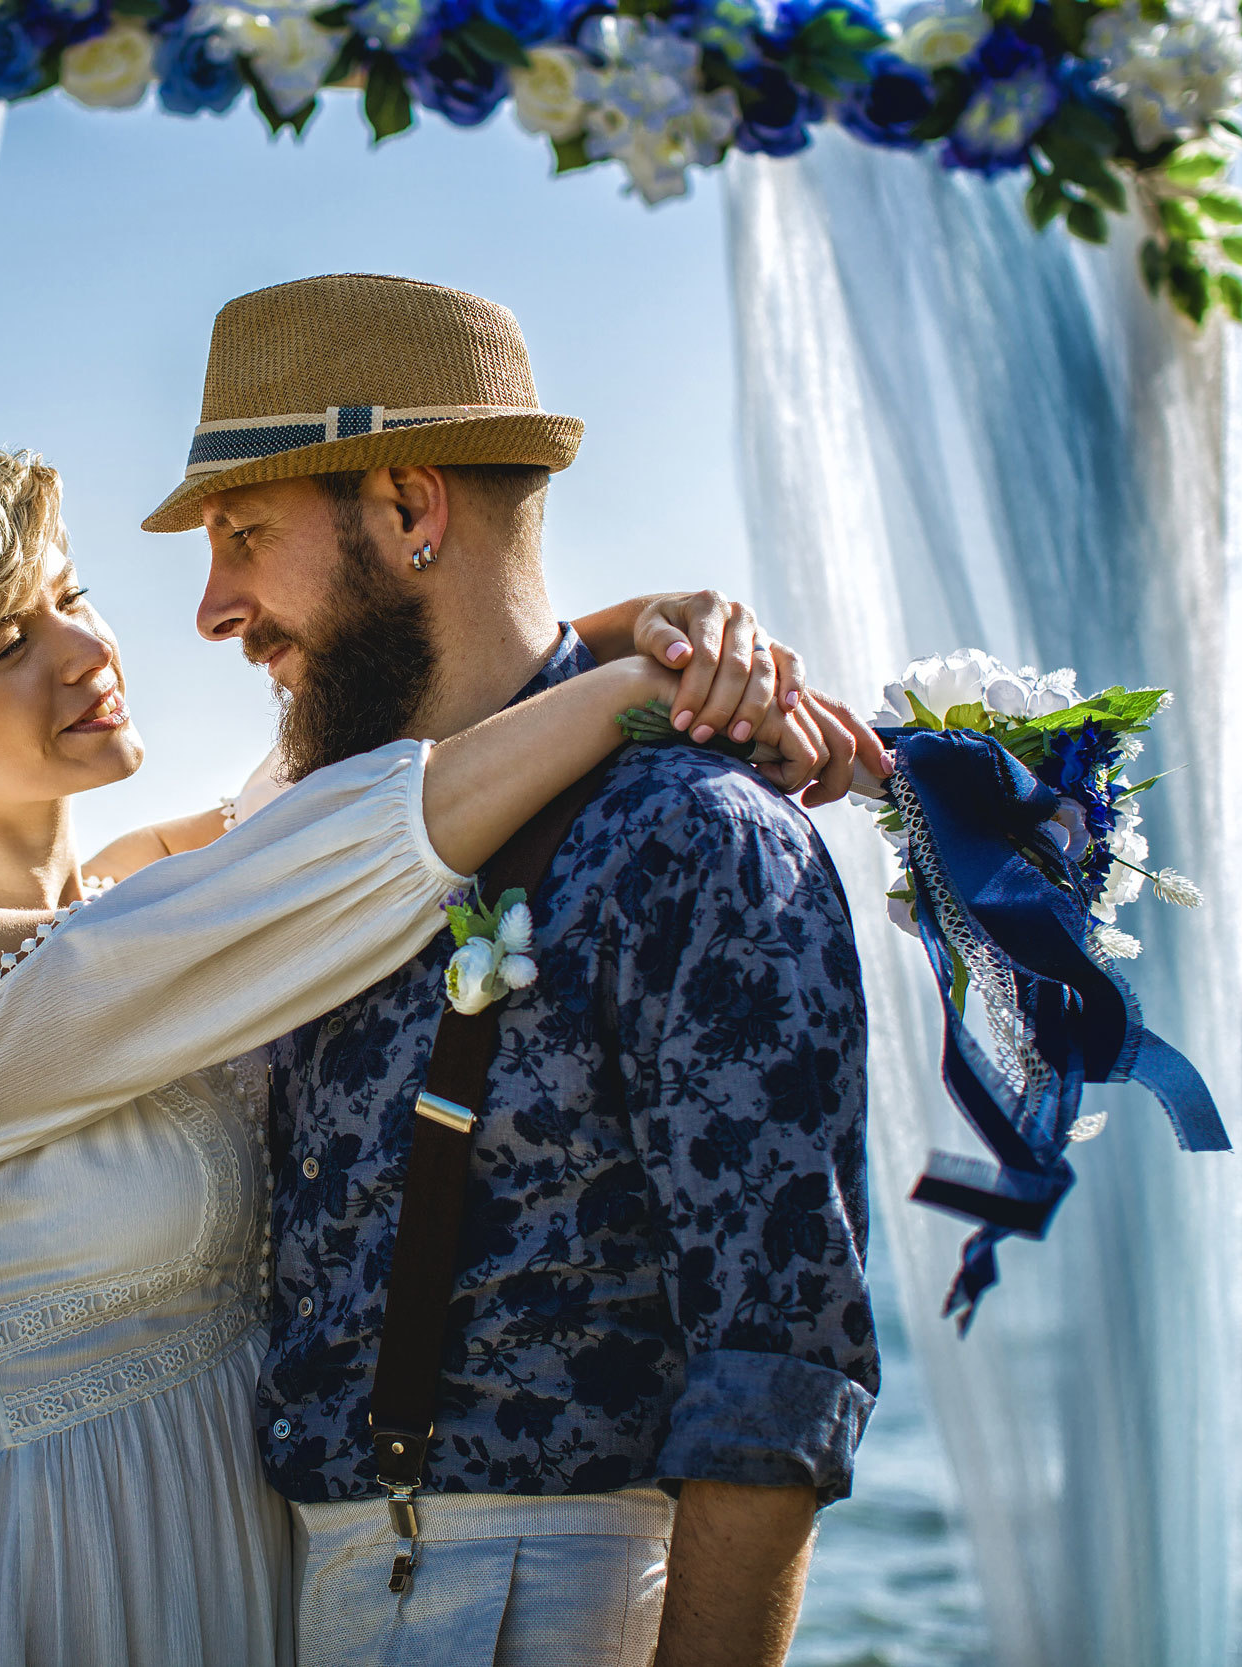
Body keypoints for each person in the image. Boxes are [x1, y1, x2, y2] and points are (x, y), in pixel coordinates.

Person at [0, 444, 864, 1667]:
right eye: (10, 644)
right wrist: (635, 688)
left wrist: (659, 637)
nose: (86, 650)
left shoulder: (163, 895)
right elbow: (368, 834)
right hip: (61, 1581)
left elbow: (401, 742)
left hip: (273, 1580)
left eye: (70, 595)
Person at [139, 273, 880, 1667]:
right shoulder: (327, 836)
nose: (213, 607)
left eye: (243, 534)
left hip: (535, 1602)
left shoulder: (694, 835)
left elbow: (779, 1354)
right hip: (307, 1593)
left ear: (414, 512)